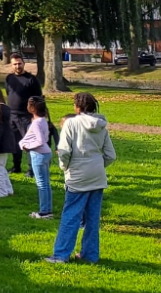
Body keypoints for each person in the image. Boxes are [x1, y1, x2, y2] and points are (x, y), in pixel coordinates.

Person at [47, 92, 116, 264]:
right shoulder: (101, 125)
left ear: (77, 106)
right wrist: (99, 165)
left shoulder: (71, 123)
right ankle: (90, 255)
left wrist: (65, 167)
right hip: (97, 175)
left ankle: (60, 255)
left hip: (77, 175)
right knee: (92, 219)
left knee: (71, 216)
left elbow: (64, 151)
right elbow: (111, 155)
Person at [5, 52, 42, 175]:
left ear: (24, 63)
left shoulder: (31, 80)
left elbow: (38, 99)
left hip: (26, 116)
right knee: (15, 143)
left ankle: (31, 169)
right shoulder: (9, 79)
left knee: (29, 143)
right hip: (12, 115)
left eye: (19, 63)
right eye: (14, 64)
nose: (17, 66)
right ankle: (16, 167)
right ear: (11, 65)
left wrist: (35, 116)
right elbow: (8, 94)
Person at [19, 96, 54, 219]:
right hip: (45, 153)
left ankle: (44, 212)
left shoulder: (36, 123)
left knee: (41, 184)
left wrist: (28, 146)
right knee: (46, 183)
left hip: (38, 154)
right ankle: (48, 210)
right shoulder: (43, 120)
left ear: (32, 108)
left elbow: (40, 140)